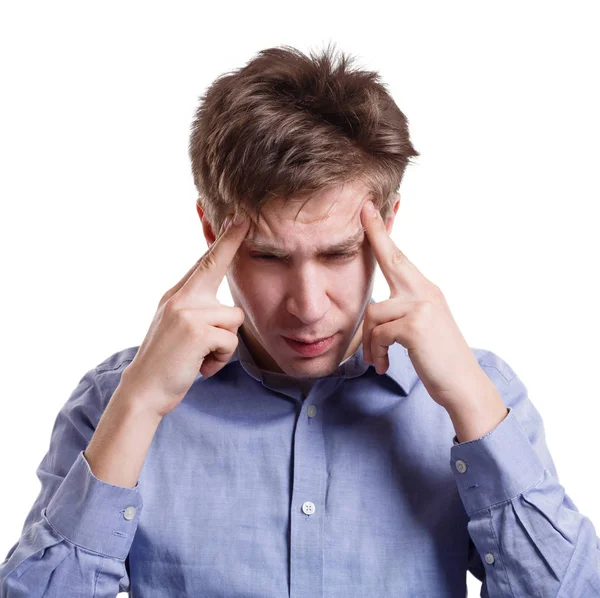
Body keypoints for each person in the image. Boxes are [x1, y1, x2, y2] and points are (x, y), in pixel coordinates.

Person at [1, 43, 599, 598]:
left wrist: (470, 400)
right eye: (268, 257)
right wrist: (135, 408)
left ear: (386, 224)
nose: (308, 306)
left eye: (338, 253)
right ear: (212, 232)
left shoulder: (482, 394)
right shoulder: (114, 404)